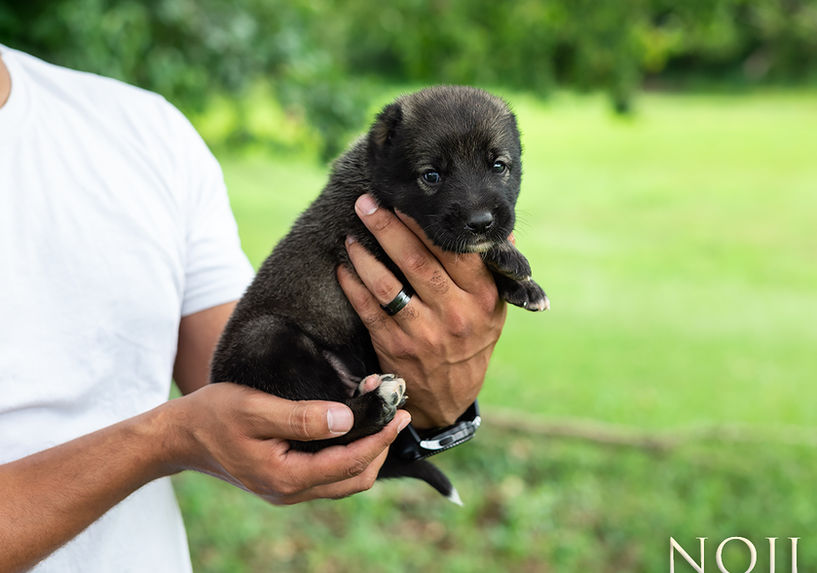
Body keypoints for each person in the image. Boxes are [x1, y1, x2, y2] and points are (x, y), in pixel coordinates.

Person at [0, 44, 507, 572]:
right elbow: (198, 425)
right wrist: (168, 438)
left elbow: (250, 395)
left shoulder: (145, 130)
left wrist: (427, 401)